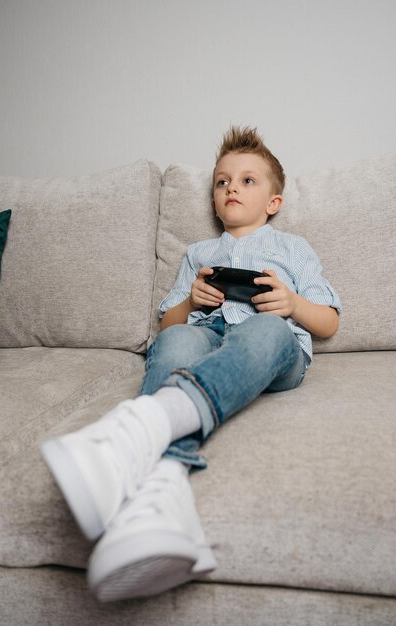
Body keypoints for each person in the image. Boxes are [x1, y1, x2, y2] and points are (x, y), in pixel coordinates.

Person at [41, 126, 342, 603]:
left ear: (273, 202)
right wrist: (192, 301)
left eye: (247, 181)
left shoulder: (293, 249)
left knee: (267, 330)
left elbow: (328, 322)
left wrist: (291, 304)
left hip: (272, 345)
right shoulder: (199, 254)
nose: (231, 189)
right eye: (222, 182)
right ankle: (161, 489)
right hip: (207, 336)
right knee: (180, 337)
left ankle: (137, 431)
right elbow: (169, 323)